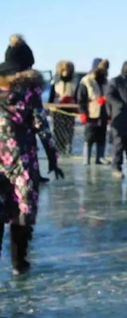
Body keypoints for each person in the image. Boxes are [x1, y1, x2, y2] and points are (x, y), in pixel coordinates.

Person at [0, 35, 64, 275]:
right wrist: (53, 158)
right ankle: (19, 261)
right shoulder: (30, 94)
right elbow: (43, 128)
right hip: (23, 162)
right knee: (22, 212)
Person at [77, 58, 110, 165]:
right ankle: (86, 159)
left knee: (102, 136)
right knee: (89, 136)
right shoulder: (86, 81)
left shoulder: (105, 80)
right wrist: (82, 112)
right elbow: (81, 98)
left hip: (103, 112)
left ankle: (100, 157)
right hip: (91, 112)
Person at [48, 60, 76, 155]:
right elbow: (51, 97)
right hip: (57, 110)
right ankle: (59, 149)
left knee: (69, 131)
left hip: (70, 110)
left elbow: (76, 96)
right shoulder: (55, 82)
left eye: (67, 70)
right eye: (64, 70)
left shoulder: (73, 83)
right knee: (57, 131)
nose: (65, 72)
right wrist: (50, 108)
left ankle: (68, 147)